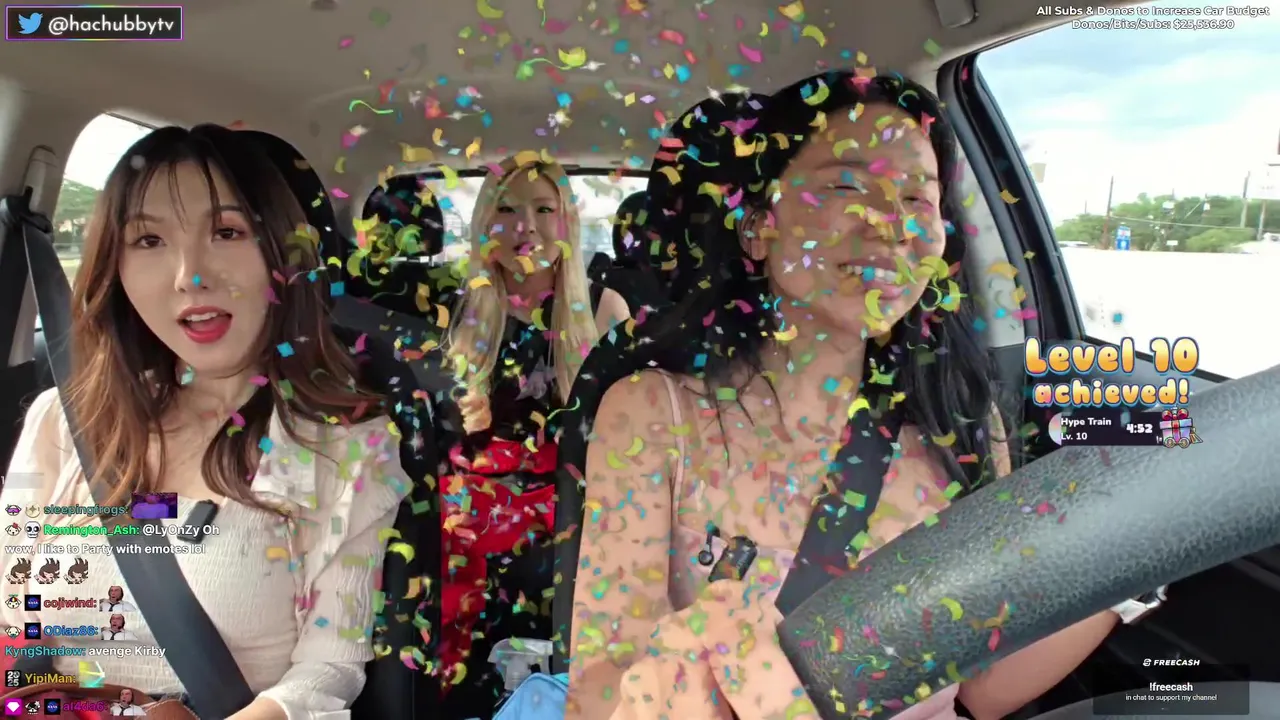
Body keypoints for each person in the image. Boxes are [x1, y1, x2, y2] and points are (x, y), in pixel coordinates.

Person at [567, 73, 1119, 720]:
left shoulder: (962, 419)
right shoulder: (653, 414)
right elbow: (597, 686)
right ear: (759, 226)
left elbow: (985, 687)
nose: (893, 225)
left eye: (917, 198)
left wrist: (1146, 544)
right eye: (847, 186)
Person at [0, 124, 413, 719]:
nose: (189, 276)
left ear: (281, 256)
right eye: (148, 240)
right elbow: (11, 614)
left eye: (227, 232)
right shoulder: (63, 422)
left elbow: (328, 669)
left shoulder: (347, 447)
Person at [439, 153, 630, 716]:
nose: (525, 226)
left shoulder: (604, 308)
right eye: (506, 209)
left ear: (566, 221)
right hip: (473, 508)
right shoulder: (458, 312)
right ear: (484, 224)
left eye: (544, 209)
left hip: (572, 503)